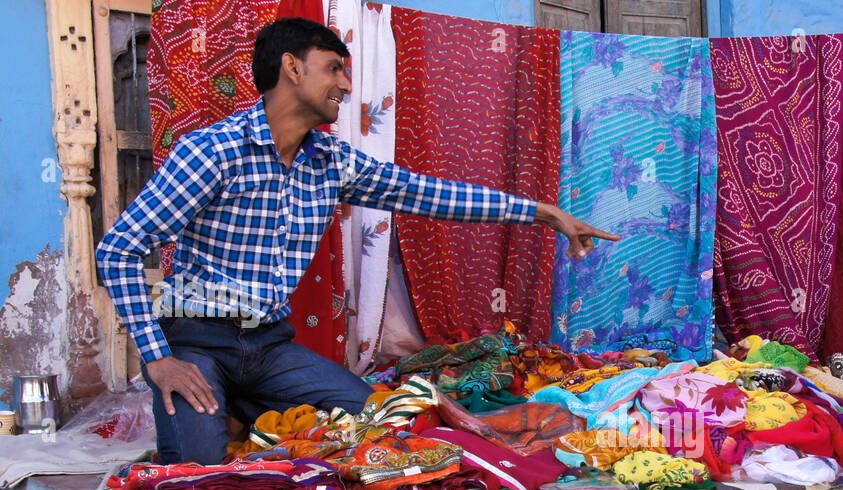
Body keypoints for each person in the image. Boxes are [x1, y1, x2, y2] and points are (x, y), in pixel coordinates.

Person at [95, 17, 617, 465]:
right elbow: (117, 250)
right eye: (334, 68)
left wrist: (543, 213)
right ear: (292, 69)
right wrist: (159, 357)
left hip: (269, 347)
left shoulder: (332, 161)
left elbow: (429, 194)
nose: (346, 84)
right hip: (196, 342)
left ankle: (245, 409)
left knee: (379, 422)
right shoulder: (213, 152)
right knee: (199, 471)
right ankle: (224, 414)